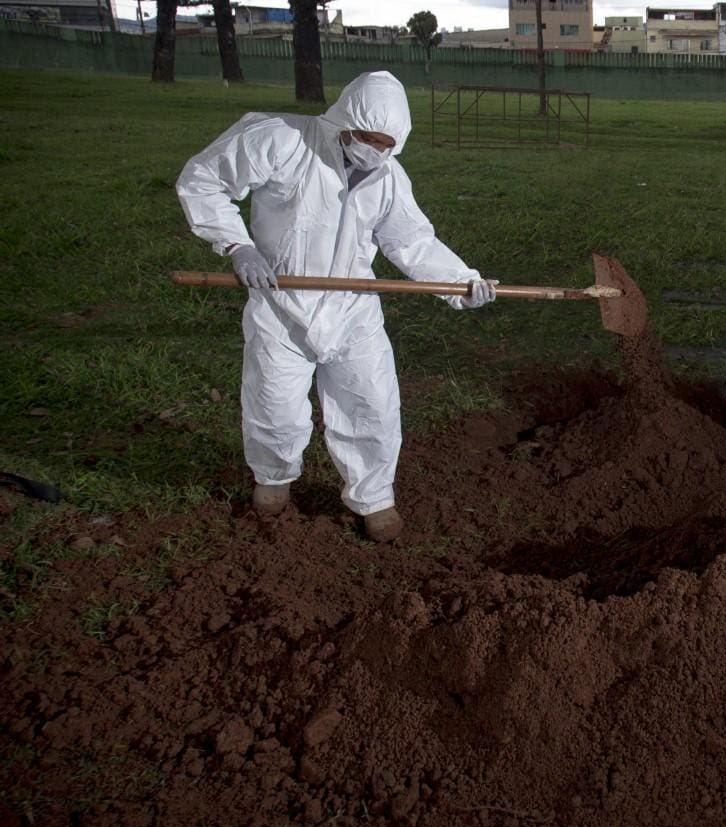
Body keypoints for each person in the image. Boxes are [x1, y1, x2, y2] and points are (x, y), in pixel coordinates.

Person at [176, 71, 495, 542]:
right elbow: (203, 179)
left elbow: (410, 240)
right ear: (345, 122)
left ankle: (375, 498)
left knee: (372, 404)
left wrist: (462, 283)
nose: (376, 151)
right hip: (280, 303)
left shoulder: (387, 176)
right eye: (369, 139)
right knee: (274, 404)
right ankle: (273, 479)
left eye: (387, 144)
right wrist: (237, 246)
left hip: (353, 309)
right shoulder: (281, 141)